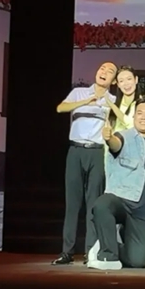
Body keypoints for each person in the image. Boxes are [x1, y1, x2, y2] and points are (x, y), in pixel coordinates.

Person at [86, 95, 145, 270]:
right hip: (121, 200)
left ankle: (110, 244)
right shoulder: (123, 136)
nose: (143, 117)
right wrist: (108, 138)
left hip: (144, 211)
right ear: (134, 116)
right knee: (102, 205)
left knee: (138, 261)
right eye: (139, 113)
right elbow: (115, 144)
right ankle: (107, 255)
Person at [53, 62, 117, 265]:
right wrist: (87, 101)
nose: (104, 72)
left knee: (93, 203)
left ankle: (90, 251)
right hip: (76, 150)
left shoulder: (113, 100)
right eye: (102, 69)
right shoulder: (79, 93)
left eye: (110, 71)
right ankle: (67, 251)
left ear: (114, 80)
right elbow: (60, 108)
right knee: (72, 203)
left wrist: (109, 105)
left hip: (97, 152)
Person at [106, 65, 140, 132]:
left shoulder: (143, 103)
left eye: (129, 79)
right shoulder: (114, 103)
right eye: (121, 81)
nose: (126, 84)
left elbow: (132, 125)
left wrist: (113, 106)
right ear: (118, 84)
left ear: (136, 80)